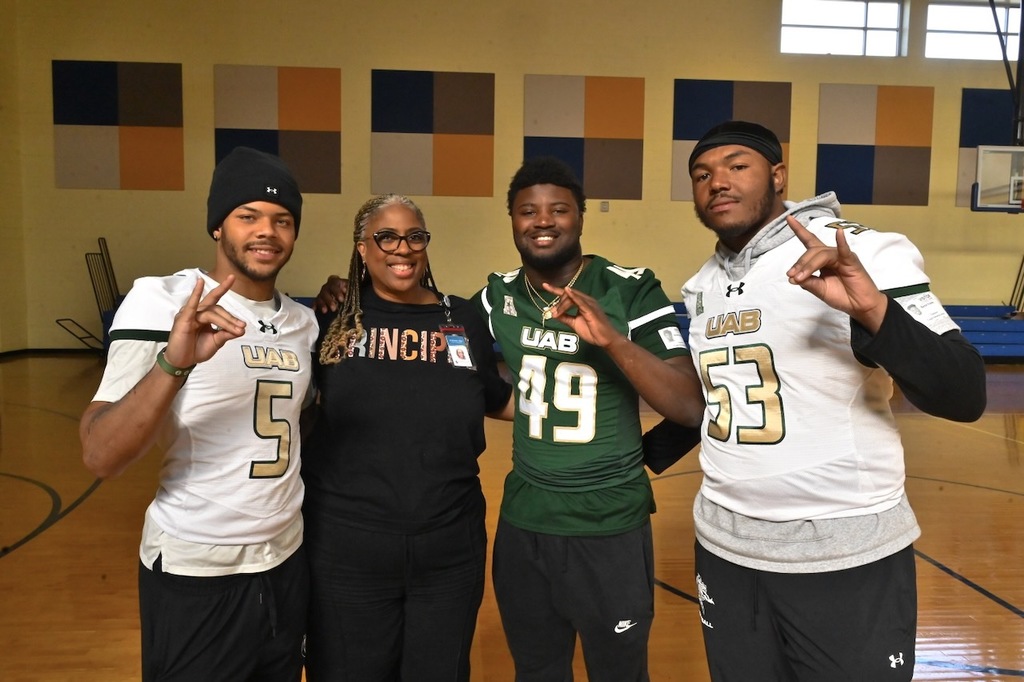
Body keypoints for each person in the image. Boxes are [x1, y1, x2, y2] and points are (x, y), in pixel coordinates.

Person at [675, 120, 987, 680]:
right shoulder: (702, 286)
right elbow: (726, 405)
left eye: (736, 167)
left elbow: (963, 392)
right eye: (702, 174)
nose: (717, 181)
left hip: (842, 550)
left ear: (777, 175)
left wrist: (874, 311)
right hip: (725, 548)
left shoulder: (859, 249)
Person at [80, 147, 318, 682]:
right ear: (218, 226)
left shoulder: (304, 322)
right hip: (197, 569)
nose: (268, 232)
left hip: (285, 563)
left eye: (283, 220)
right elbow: (100, 454)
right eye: (248, 215)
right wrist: (173, 362)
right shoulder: (164, 301)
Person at [476, 157, 704, 681]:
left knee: (619, 673)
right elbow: (453, 364)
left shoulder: (629, 288)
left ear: (580, 216)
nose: (543, 221)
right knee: (536, 671)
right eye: (527, 211)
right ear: (511, 220)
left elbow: (690, 406)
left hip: (609, 524)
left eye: (559, 209)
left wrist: (613, 342)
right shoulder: (498, 295)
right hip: (524, 521)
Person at [301, 194, 514, 681]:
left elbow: (490, 395)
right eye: (387, 236)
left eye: (415, 236)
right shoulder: (330, 321)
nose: (403, 247)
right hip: (346, 545)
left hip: (449, 546)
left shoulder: (459, 320)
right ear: (362, 248)